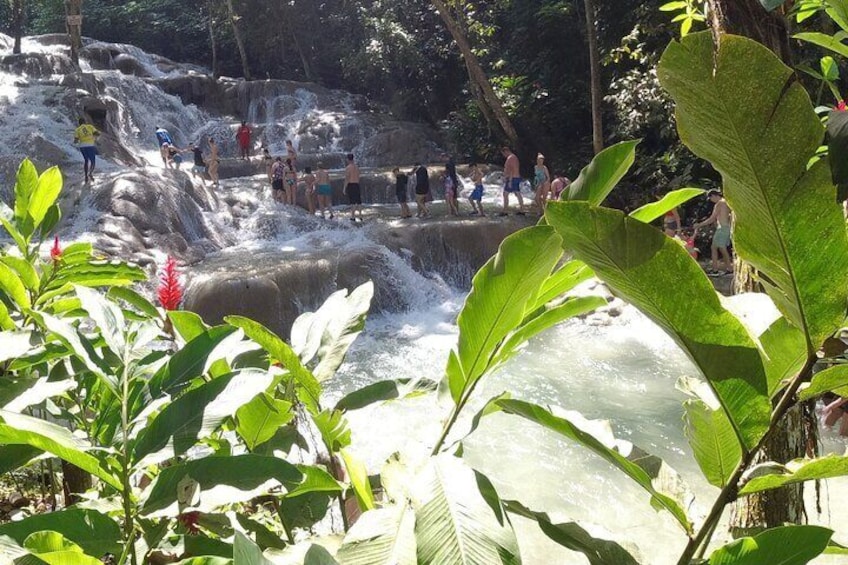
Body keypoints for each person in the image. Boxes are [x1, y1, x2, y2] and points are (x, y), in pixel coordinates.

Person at [694, 189, 732, 276]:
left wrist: (699, 225)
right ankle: (715, 269)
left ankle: (728, 268)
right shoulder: (727, 202)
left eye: (711, 198)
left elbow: (712, 218)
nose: (711, 201)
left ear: (714, 196)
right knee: (714, 247)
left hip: (722, 228)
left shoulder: (719, 204)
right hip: (725, 228)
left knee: (722, 248)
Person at [500, 146, 525, 216]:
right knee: (517, 193)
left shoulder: (510, 158)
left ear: (506, 151)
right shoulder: (514, 157)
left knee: (505, 194)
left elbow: (511, 170)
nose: (504, 156)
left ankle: (505, 211)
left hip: (512, 178)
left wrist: (510, 180)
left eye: (503, 154)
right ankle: (522, 209)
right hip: (515, 177)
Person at [73, 118, 100, 183]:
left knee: (86, 160)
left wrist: (77, 140)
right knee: (93, 161)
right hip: (90, 145)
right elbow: (97, 133)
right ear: (85, 122)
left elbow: (76, 141)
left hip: (82, 146)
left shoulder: (77, 130)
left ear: (79, 124)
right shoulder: (90, 126)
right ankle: (90, 173)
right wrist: (93, 137)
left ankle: (85, 176)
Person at [344, 153, 363, 222]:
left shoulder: (348, 168)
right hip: (357, 184)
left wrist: (344, 188)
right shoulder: (357, 167)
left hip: (351, 185)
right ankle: (360, 215)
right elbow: (358, 176)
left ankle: (353, 216)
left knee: (352, 202)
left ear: (348, 159)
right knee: (359, 201)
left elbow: (347, 178)